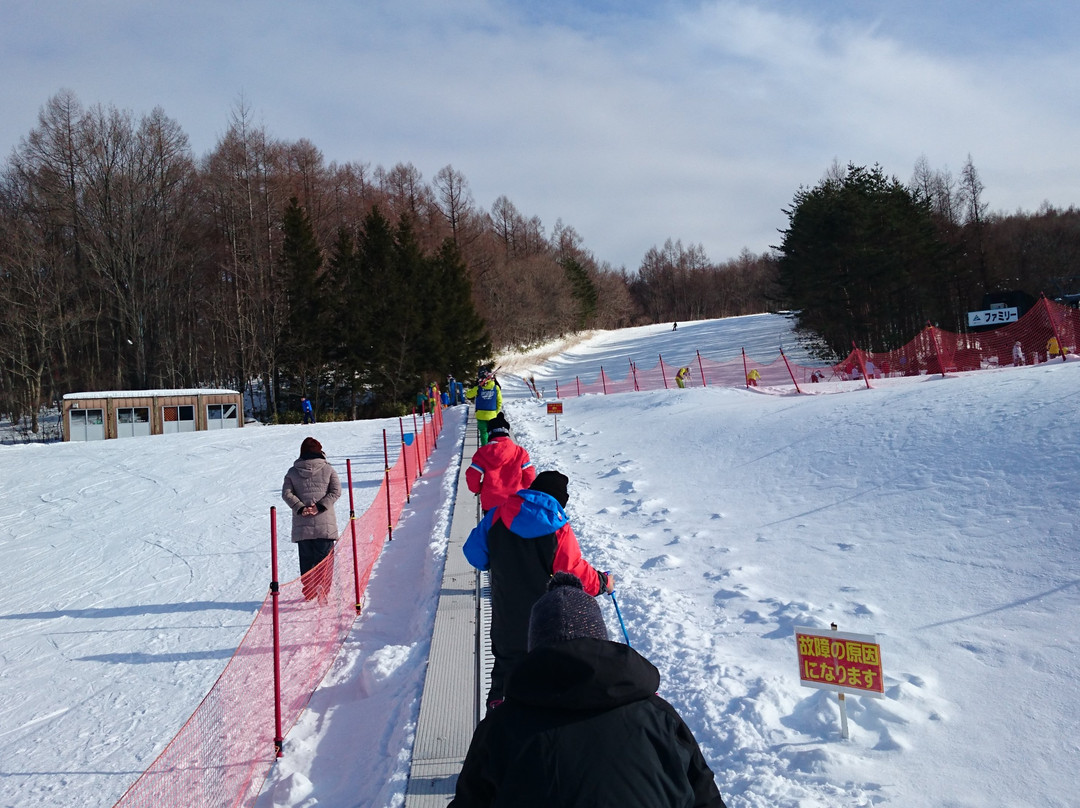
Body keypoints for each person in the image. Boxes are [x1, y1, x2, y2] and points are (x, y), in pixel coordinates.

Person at [449, 573, 727, 808]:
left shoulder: (499, 729)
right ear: (600, 638)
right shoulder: (660, 718)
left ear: (535, 647)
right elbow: (706, 797)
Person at [463, 470, 613, 710]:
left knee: (505, 668)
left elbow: (474, 554)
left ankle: (498, 718)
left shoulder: (496, 516)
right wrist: (603, 582)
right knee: (545, 675)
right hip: (545, 619)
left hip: (506, 616)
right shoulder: (557, 527)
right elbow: (573, 571)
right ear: (560, 500)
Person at [282, 437, 341, 602]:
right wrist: (320, 506)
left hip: (303, 526)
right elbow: (336, 491)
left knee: (307, 561)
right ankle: (323, 588)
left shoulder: (293, 472)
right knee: (325, 561)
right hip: (325, 525)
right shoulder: (328, 470)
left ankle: (309, 591)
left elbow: (286, 494)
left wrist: (301, 507)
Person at [466, 413, 537, 514]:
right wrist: (521, 488)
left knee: (491, 528)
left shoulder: (482, 453)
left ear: (490, 434)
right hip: (515, 500)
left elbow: (472, 475)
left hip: (491, 502)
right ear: (507, 433)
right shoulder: (520, 452)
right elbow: (530, 477)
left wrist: (478, 489)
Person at [466, 372, 503, 445]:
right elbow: (499, 401)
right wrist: (496, 411)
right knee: (492, 432)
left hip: (480, 414)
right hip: (492, 414)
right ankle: (492, 446)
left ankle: (484, 448)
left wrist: (474, 387)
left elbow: (469, 395)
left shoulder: (478, 388)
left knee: (483, 432)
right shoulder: (496, 388)